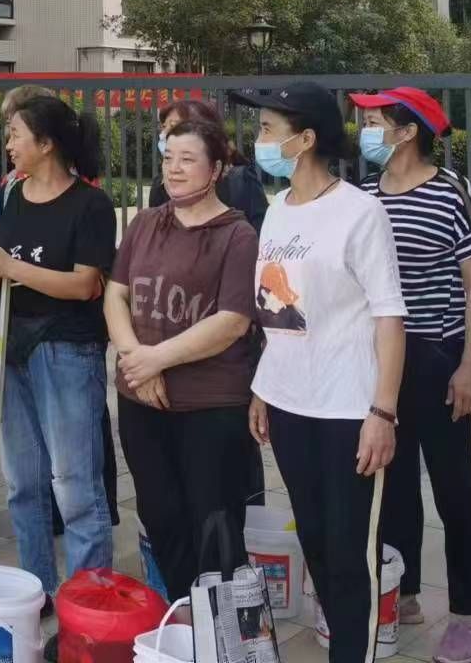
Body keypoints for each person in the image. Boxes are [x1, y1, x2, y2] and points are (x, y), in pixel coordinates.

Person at [239, 83, 405, 663]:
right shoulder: (277, 210)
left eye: (267, 129)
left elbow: (389, 316)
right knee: (313, 540)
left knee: (348, 551)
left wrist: (382, 412)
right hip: (289, 404)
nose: (258, 139)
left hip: (347, 409)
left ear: (305, 139)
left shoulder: (360, 212)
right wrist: (263, 389)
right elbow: (275, 312)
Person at [353, 88, 471, 663]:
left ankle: (466, 616)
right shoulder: (362, 195)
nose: (363, 131)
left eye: (373, 121)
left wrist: (470, 366)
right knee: (392, 483)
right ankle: (402, 590)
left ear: (407, 131)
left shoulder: (453, 193)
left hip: (435, 356)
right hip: (378, 362)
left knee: (452, 488)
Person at [106, 115, 261, 605]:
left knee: (213, 519)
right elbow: (115, 296)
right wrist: (136, 360)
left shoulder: (238, 235)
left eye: (187, 159)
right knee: (161, 515)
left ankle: (223, 625)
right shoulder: (145, 223)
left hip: (209, 405)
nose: (173, 169)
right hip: (141, 400)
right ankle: (184, 613)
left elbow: (232, 321)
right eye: (168, 158)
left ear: (215, 169)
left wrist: (155, 360)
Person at [0, 95, 116, 598]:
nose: (9, 144)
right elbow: (3, 269)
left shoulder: (90, 204)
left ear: (47, 143)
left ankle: (87, 602)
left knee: (74, 486)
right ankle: (37, 592)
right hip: (13, 344)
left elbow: (84, 285)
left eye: (16, 134)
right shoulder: (11, 195)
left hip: (67, 350)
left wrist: (9, 267)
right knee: (23, 485)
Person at [147, 99, 269, 234]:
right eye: (164, 127)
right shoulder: (160, 186)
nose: (164, 134)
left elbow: (261, 234)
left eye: (174, 126)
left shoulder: (240, 182)